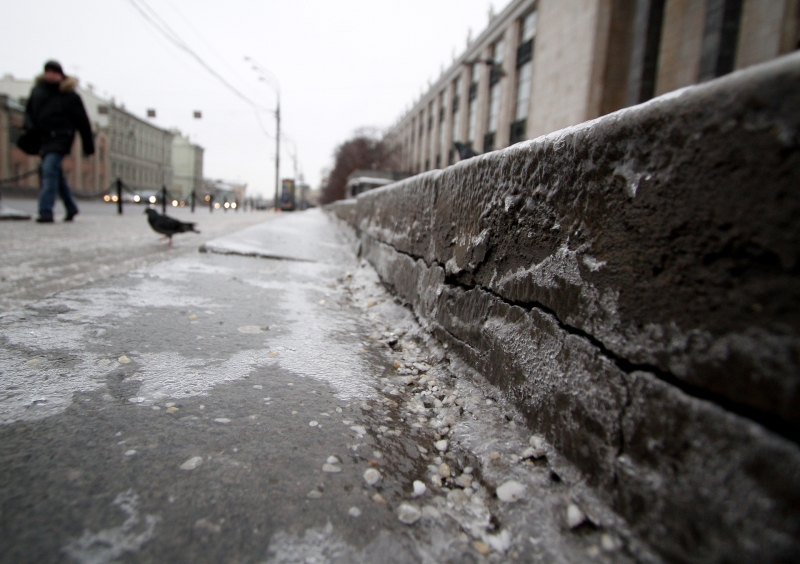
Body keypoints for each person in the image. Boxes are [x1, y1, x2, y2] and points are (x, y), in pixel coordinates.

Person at [24, 60, 94, 223]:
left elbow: (83, 122)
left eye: (54, 72)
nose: (51, 75)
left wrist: (88, 146)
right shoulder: (38, 92)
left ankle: (45, 211)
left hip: (61, 139)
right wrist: (29, 129)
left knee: (48, 171)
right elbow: (29, 113)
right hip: (43, 139)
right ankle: (71, 207)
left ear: (61, 75)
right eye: (48, 72)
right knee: (55, 174)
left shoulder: (69, 96)